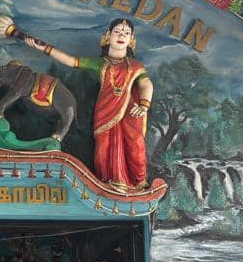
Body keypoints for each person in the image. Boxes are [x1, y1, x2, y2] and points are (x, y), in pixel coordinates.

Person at [26, 18, 153, 191]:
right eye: (117, 32)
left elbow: (146, 84)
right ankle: (109, 181)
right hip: (105, 111)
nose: (121, 36)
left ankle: (137, 183)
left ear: (132, 39)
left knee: (135, 145)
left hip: (129, 113)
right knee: (104, 146)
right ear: (108, 36)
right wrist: (43, 48)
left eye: (126, 33)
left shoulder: (136, 66)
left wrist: (144, 105)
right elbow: (72, 61)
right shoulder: (100, 63)